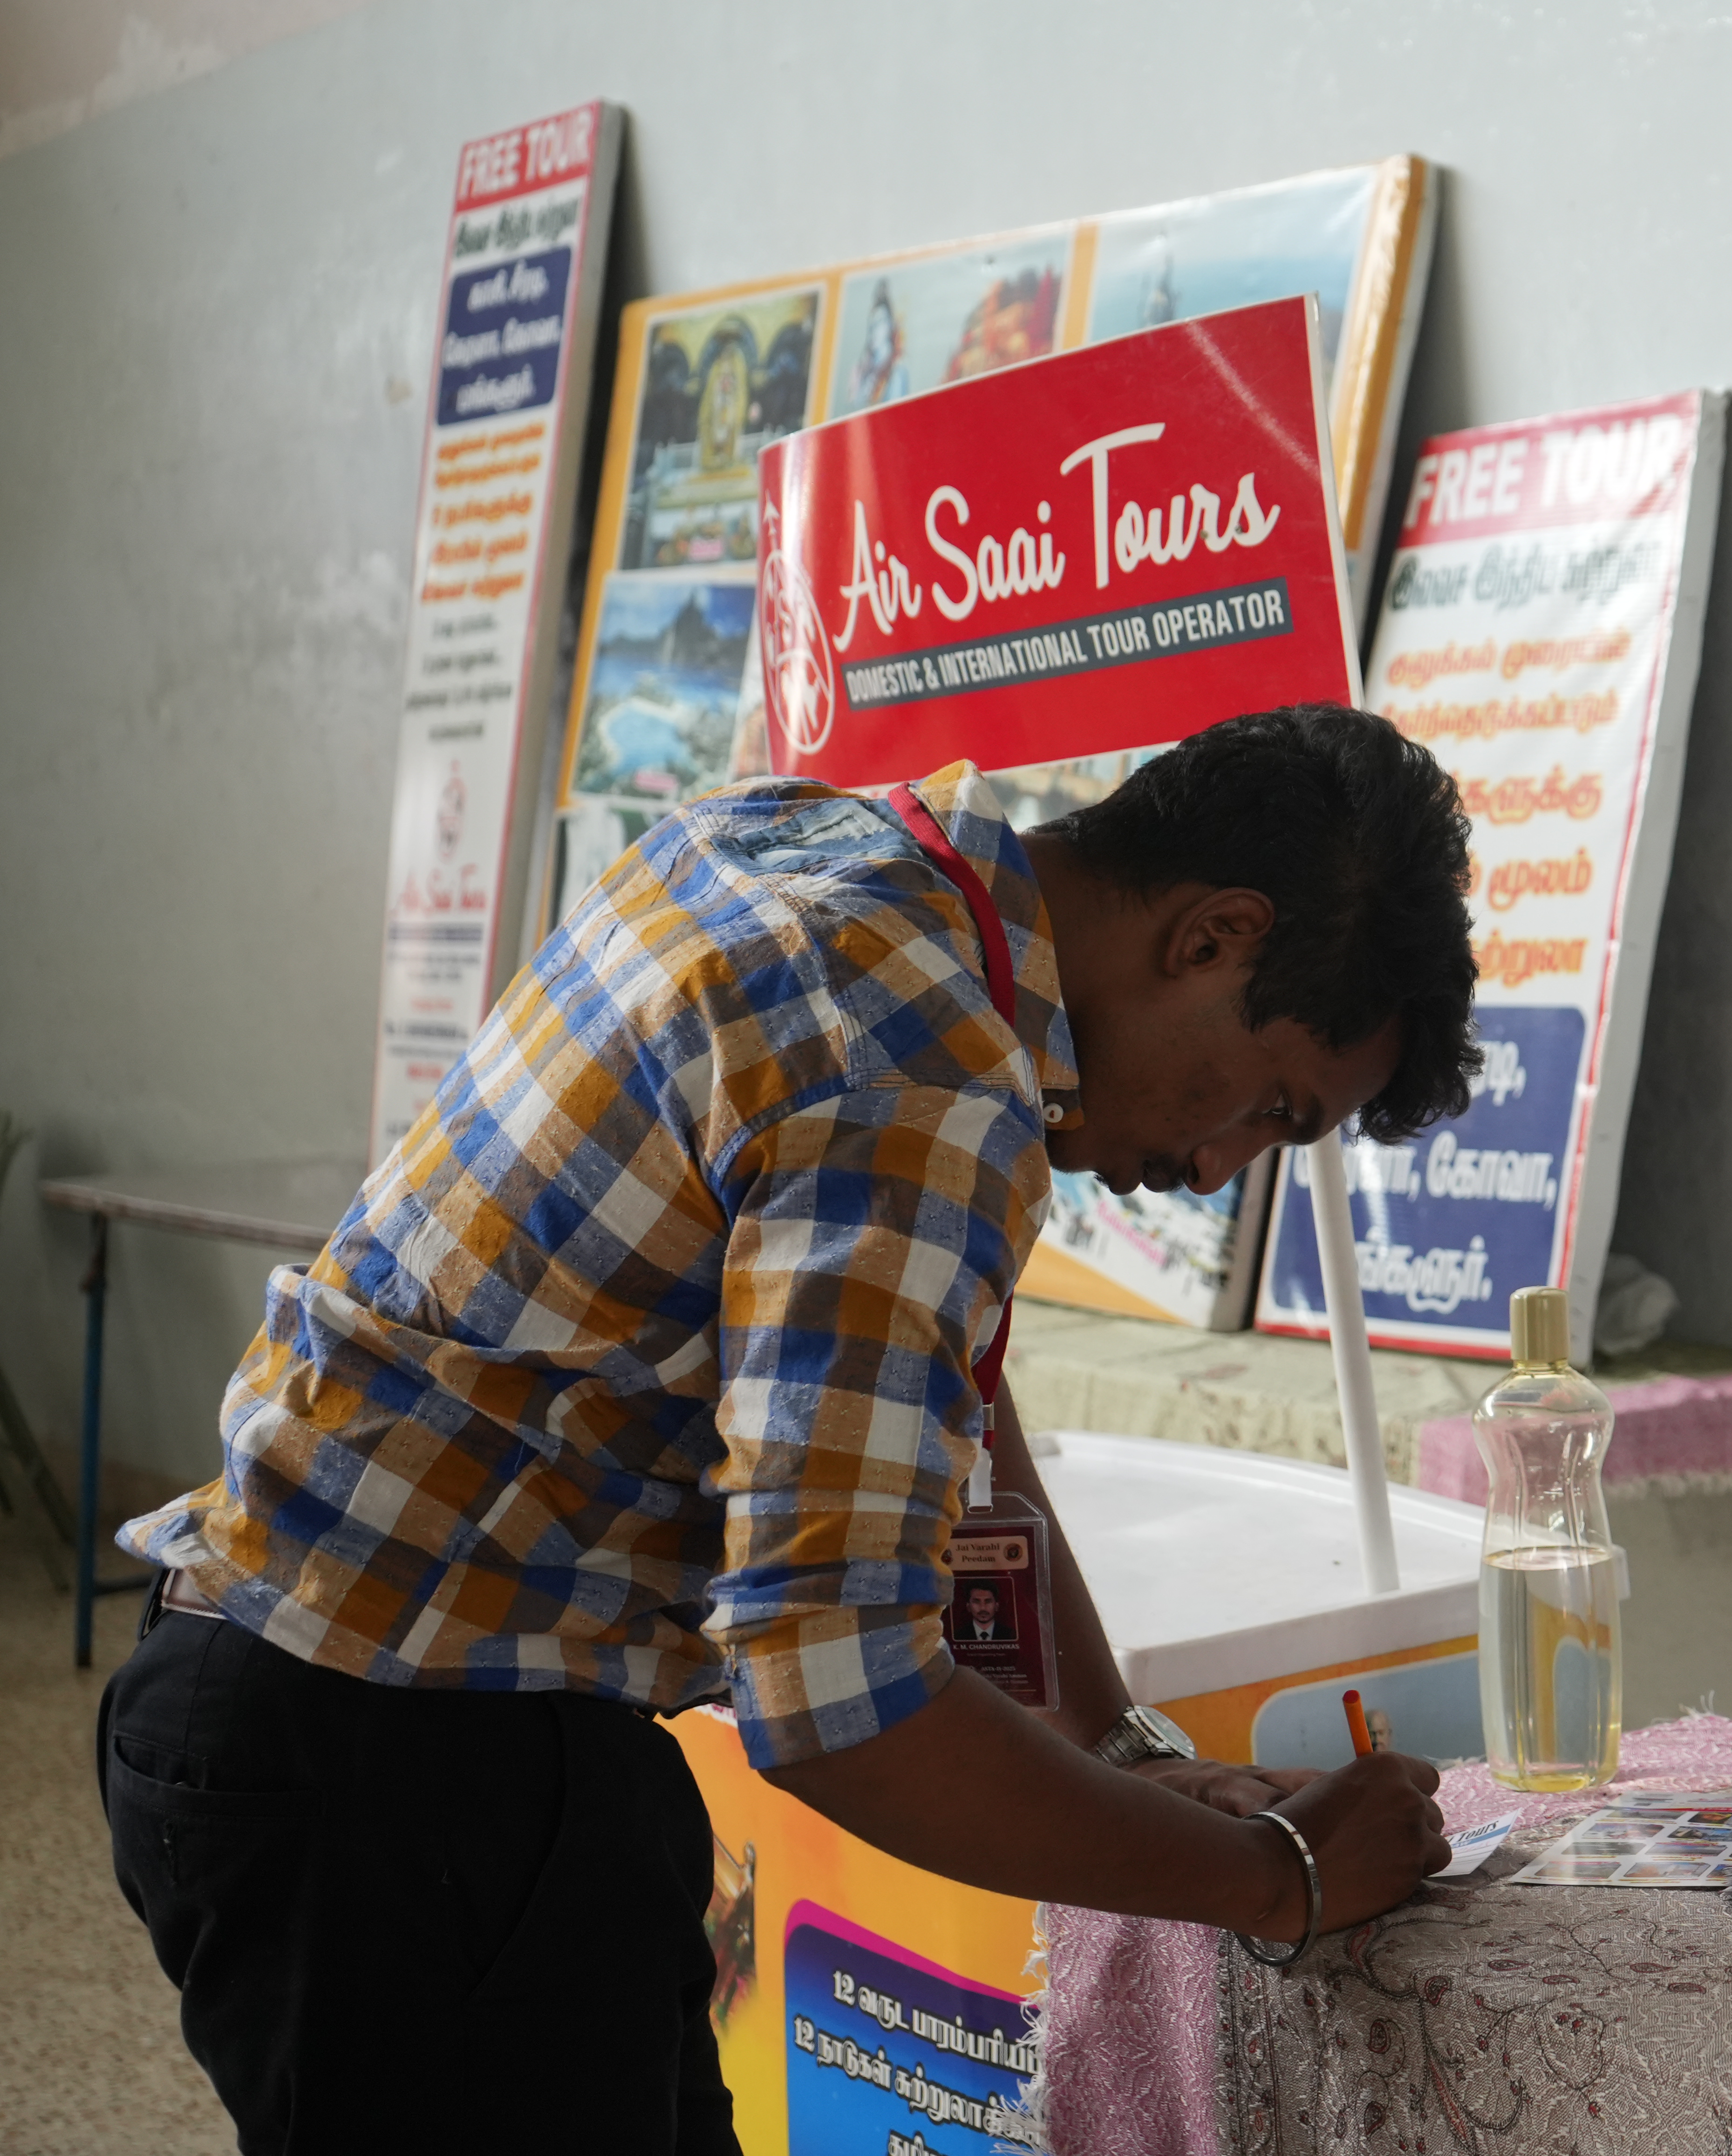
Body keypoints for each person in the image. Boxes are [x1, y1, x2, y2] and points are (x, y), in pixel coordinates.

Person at [99, 706, 1470, 2151]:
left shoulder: (808, 849)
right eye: (1271, 1108)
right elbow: (838, 1709)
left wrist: (1120, 1752)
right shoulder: (924, 1071)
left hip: (322, 1695)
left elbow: (916, 1371)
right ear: (1214, 938)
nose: (1213, 1167)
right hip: (402, 1772)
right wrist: (1275, 1879)